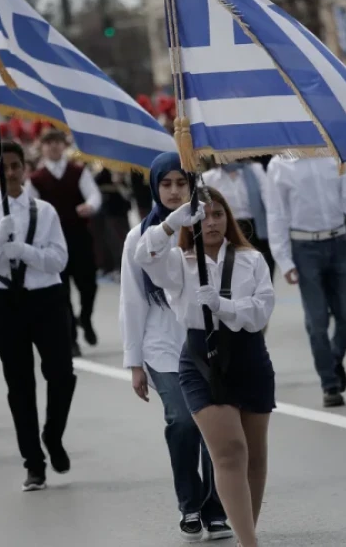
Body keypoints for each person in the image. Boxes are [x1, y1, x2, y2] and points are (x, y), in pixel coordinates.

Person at [134, 188, 274, 547]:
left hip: (249, 354)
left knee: (255, 457)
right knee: (230, 451)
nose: (211, 222)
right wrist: (169, 224)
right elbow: (144, 256)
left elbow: (262, 310)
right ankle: (249, 543)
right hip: (201, 357)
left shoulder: (251, 258)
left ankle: (247, 531)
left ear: (228, 218)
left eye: (218, 214)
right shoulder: (180, 261)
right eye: (203, 215)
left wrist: (224, 306)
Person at [121, 153, 230, 541]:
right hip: (163, 349)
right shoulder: (140, 237)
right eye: (165, 184)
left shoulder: (209, 226)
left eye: (180, 184)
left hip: (207, 344)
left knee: (214, 430)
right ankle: (189, 504)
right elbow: (132, 302)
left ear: (192, 186)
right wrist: (135, 363)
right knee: (183, 423)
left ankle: (217, 508)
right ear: (154, 187)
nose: (173, 191)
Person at [0, 142, 77, 492]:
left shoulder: (44, 211)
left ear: (25, 168)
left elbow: (59, 260)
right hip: (4, 300)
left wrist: (24, 251)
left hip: (46, 296)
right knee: (19, 383)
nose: (10, 173)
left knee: (61, 373)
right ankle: (33, 463)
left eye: (16, 166)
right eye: (2, 167)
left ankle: (53, 434)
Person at [265, 155, 346, 407]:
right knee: (317, 320)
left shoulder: (332, 153)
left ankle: (332, 360)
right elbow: (276, 213)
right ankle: (329, 383)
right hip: (303, 247)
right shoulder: (279, 164)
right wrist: (284, 259)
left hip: (338, 242)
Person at [28, 130, 103, 356]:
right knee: (62, 292)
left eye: (57, 143)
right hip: (53, 243)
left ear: (64, 145)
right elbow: (30, 206)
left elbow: (94, 195)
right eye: (48, 143)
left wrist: (90, 206)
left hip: (79, 237)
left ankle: (86, 318)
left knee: (89, 285)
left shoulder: (78, 171)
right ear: (42, 147)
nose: (53, 147)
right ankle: (71, 338)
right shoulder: (36, 179)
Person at [202, 160, 275, 279]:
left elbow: (270, 200)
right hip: (228, 230)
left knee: (263, 274)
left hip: (257, 228)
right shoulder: (209, 178)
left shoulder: (255, 169)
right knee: (236, 277)